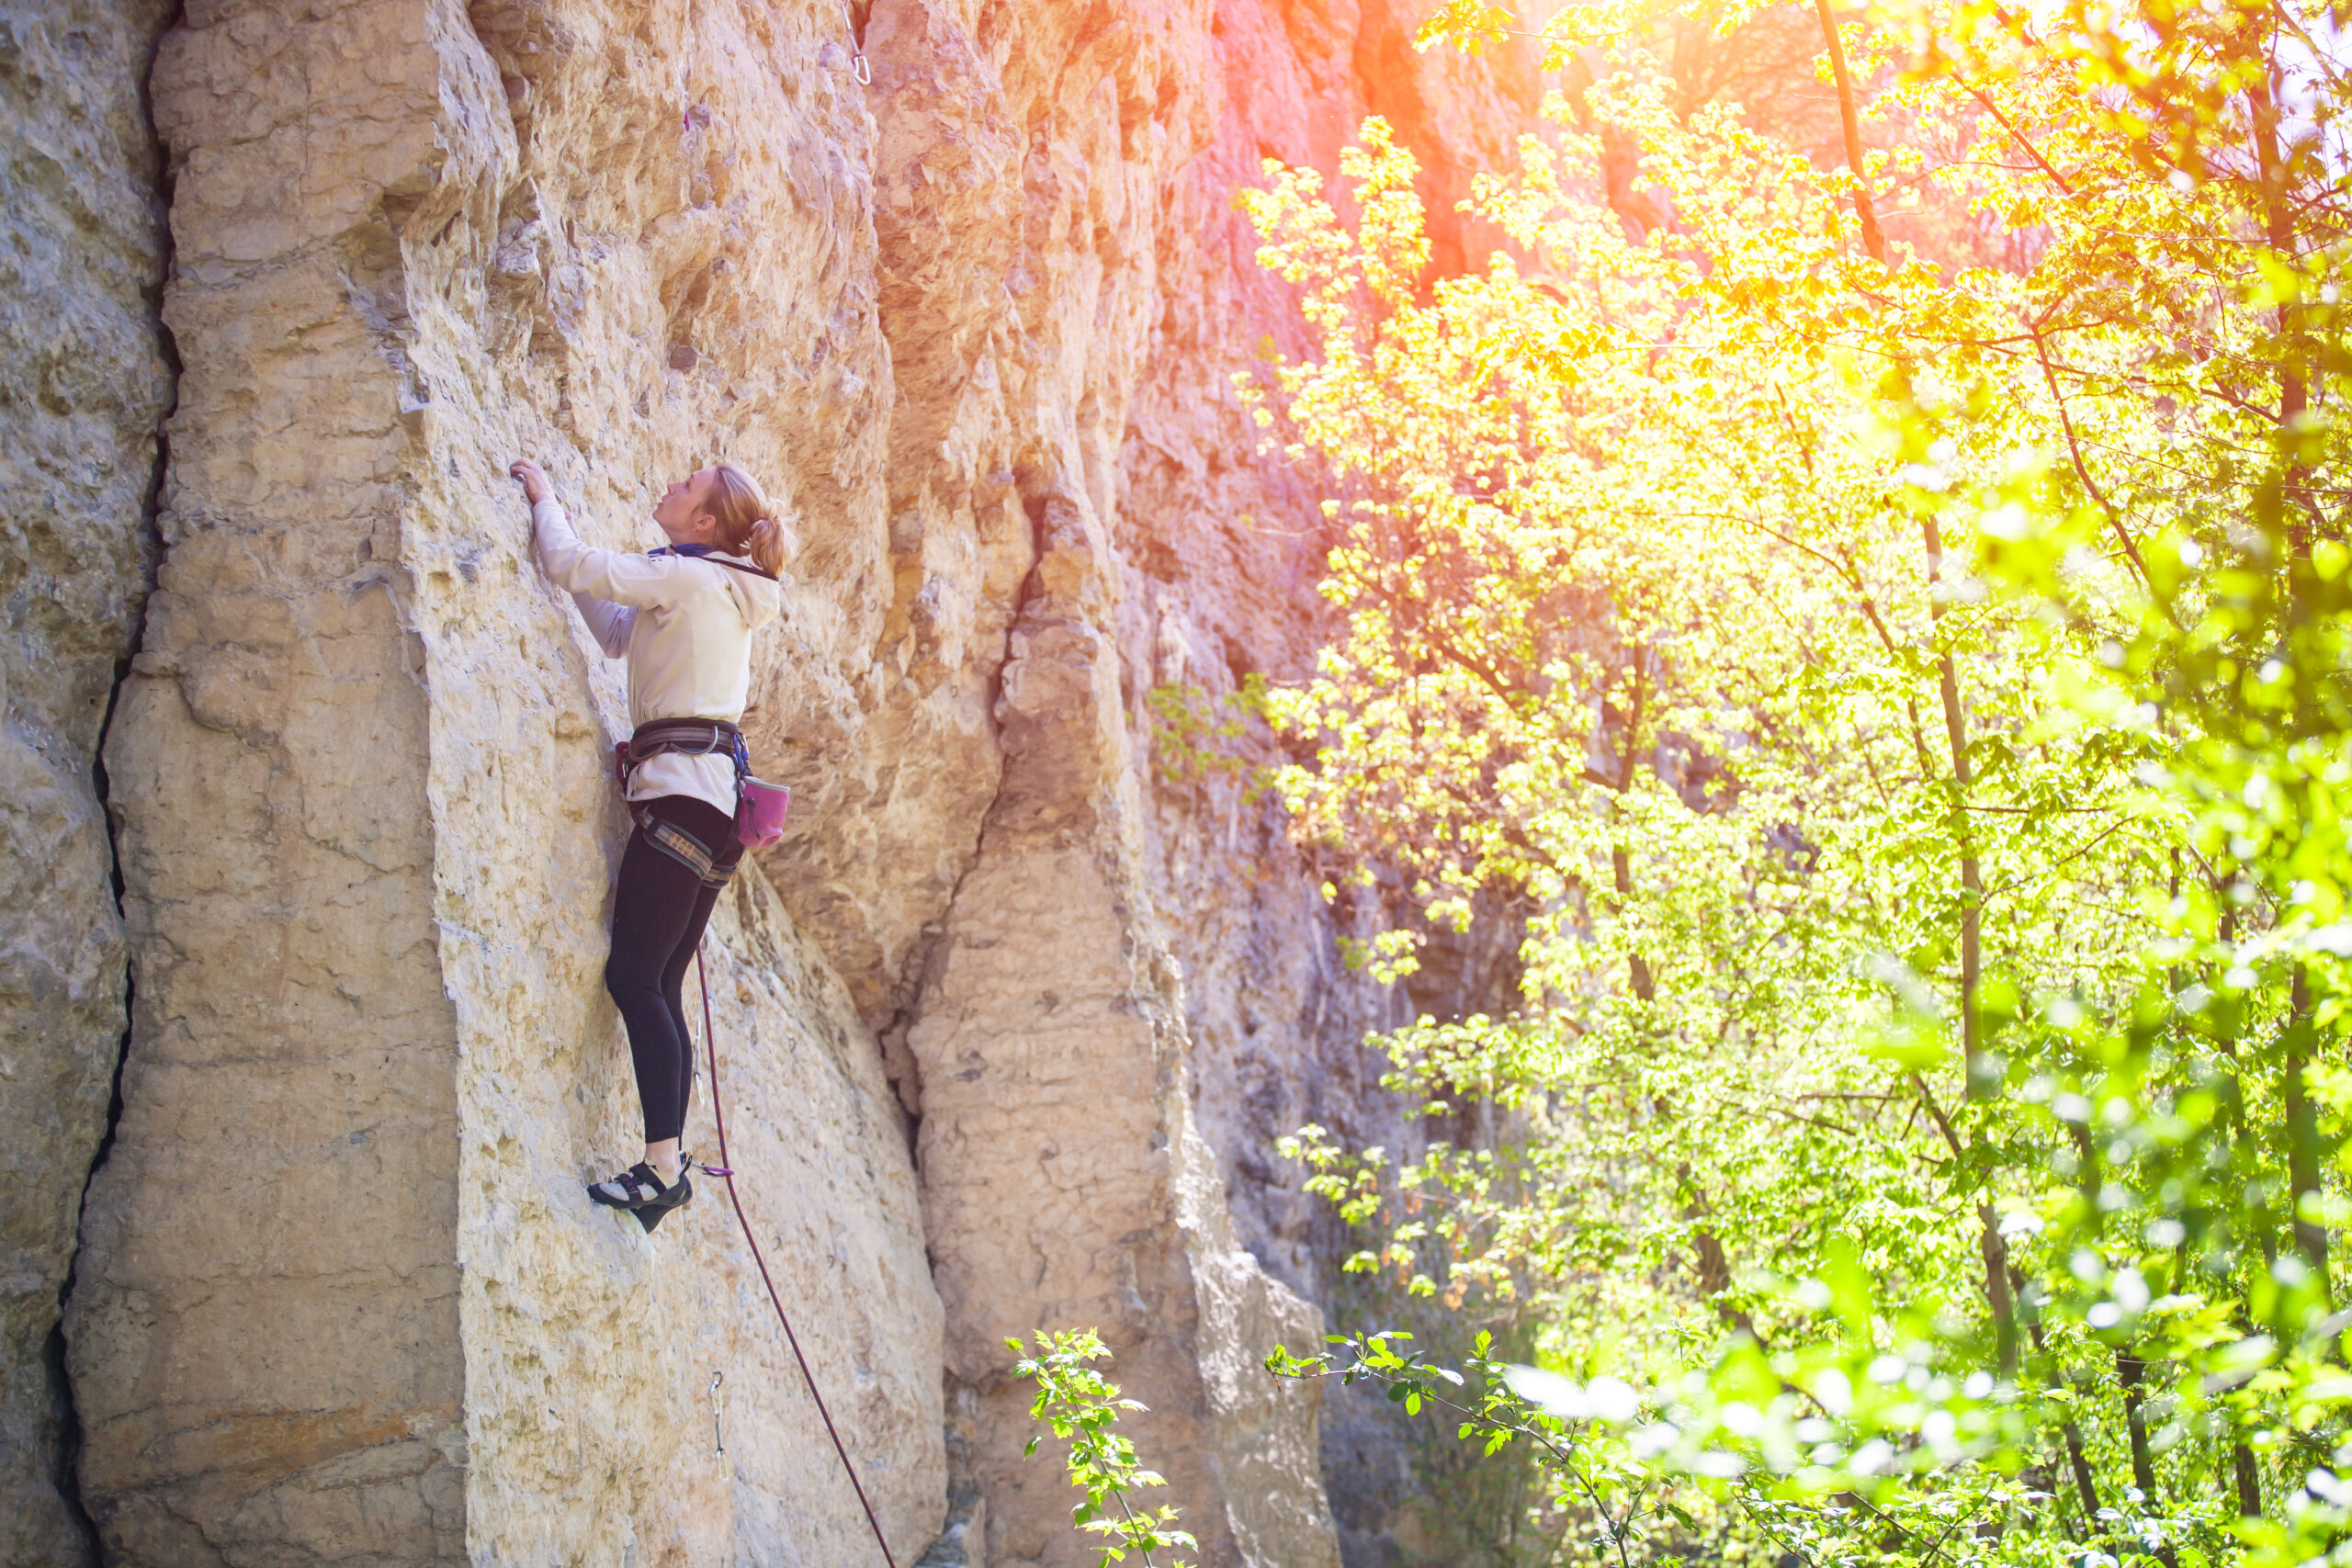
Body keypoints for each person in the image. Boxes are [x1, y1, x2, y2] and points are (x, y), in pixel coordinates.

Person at [510, 457, 790, 1232]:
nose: (669, 485)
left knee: (636, 978)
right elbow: (615, 633)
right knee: (658, 985)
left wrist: (545, 499)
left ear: (704, 524)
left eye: (687, 486)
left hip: (679, 799)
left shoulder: (688, 578)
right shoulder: (713, 587)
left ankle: (664, 1166)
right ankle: (667, 1162)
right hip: (710, 807)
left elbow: (572, 562)